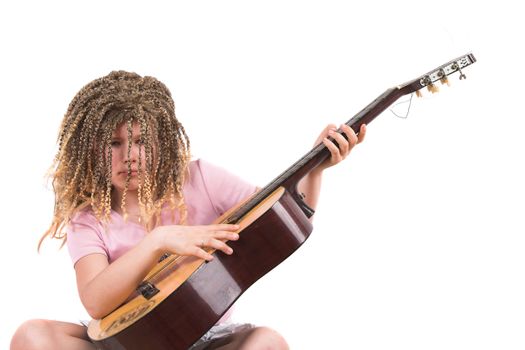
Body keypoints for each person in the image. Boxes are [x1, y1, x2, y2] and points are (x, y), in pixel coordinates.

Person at [10, 70, 366, 350]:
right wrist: (159, 241)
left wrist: (315, 169)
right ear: (91, 152)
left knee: (270, 343)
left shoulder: (199, 179)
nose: (129, 156)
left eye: (141, 142)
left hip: (204, 340)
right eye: (114, 144)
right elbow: (95, 300)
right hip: (127, 342)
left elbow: (278, 220)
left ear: (162, 142)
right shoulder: (88, 219)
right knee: (32, 337)